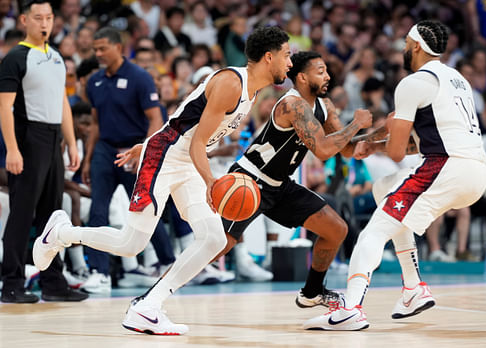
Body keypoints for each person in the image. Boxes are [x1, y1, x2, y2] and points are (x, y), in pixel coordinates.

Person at [33, 25, 292, 335]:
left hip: (181, 157)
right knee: (132, 243)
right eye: (287, 55)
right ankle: (61, 234)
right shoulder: (231, 83)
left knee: (214, 238)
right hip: (167, 158)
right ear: (269, 56)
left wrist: (156, 140)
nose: (290, 63)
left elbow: (185, 119)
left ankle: (149, 305)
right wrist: (211, 182)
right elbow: (195, 143)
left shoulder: (251, 91)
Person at [303, 20, 486, 331]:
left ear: (416, 45)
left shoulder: (412, 83)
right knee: (384, 189)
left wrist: (382, 134)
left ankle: (350, 309)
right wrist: (372, 143)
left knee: (372, 233)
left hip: (445, 167)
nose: (401, 47)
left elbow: (398, 153)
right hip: (475, 171)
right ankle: (413, 288)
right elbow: (427, 139)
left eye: (405, 42)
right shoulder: (457, 80)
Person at [217, 51, 372, 306]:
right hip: (251, 179)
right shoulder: (293, 104)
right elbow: (322, 150)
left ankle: (312, 292)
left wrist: (377, 133)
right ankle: (159, 291)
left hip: (280, 185)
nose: (328, 76)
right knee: (217, 247)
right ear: (301, 77)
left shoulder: (325, 106)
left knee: (336, 229)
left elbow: (343, 149)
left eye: (327, 71)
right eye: (320, 71)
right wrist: (355, 125)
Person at [0, 0, 88, 303]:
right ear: (25, 20)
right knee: (22, 214)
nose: (44, 24)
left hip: (53, 140)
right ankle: (11, 284)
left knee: (54, 215)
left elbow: (63, 102)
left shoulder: (56, 57)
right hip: (28, 137)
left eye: (49, 18)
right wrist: (12, 148)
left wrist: (71, 141)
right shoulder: (15, 58)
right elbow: (4, 107)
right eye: (38, 18)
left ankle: (53, 283)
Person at [78, 26, 174, 292]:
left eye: (102, 48)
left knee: (145, 210)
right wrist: (88, 160)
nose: (97, 54)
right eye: (95, 49)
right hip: (104, 151)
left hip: (133, 152)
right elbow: (95, 123)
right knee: (98, 209)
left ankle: (168, 264)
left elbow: (156, 118)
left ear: (118, 48)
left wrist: (142, 152)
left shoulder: (140, 77)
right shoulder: (95, 81)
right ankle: (99, 272)